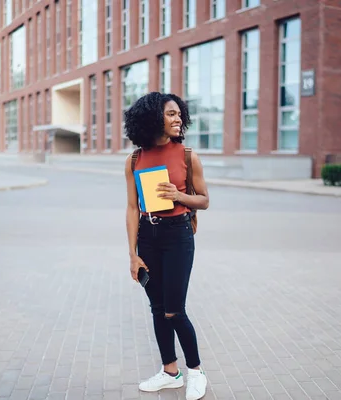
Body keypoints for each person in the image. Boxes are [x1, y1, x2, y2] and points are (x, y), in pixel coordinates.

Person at [123, 92, 210, 400]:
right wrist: (133, 255)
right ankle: (170, 372)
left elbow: (204, 200)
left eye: (179, 114)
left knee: (174, 310)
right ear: (152, 118)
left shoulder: (188, 156)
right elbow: (133, 208)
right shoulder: (134, 159)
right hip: (148, 236)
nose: (178, 119)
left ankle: (196, 372)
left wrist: (179, 196)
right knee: (158, 309)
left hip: (178, 236)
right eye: (171, 114)